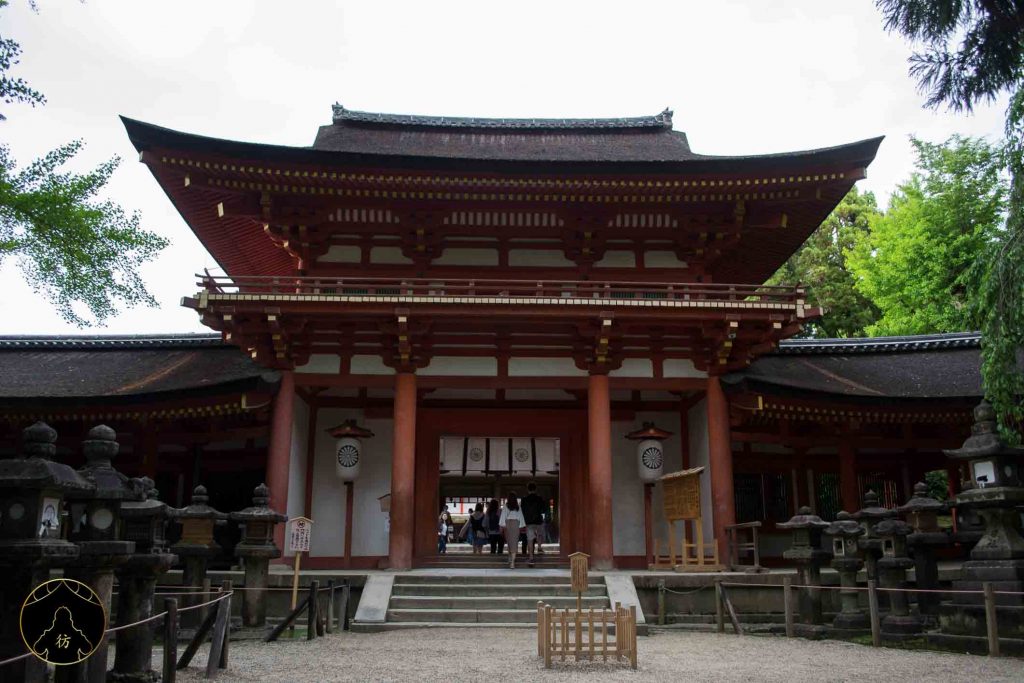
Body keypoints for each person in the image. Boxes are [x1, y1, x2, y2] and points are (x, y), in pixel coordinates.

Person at [521, 482, 550, 566]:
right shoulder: (539, 498)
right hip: (538, 520)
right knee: (539, 535)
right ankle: (539, 547)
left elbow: (522, 510)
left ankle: (531, 557)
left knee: (530, 539)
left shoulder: (524, 499)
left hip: (529, 522)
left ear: (528, 489)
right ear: (535, 489)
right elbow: (544, 509)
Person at [499, 492, 525, 569]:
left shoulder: (506, 506)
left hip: (508, 524)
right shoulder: (518, 507)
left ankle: (510, 558)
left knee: (509, 542)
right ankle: (512, 562)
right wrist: (521, 527)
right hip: (516, 525)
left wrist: (502, 526)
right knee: (514, 543)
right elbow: (521, 518)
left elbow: (503, 517)